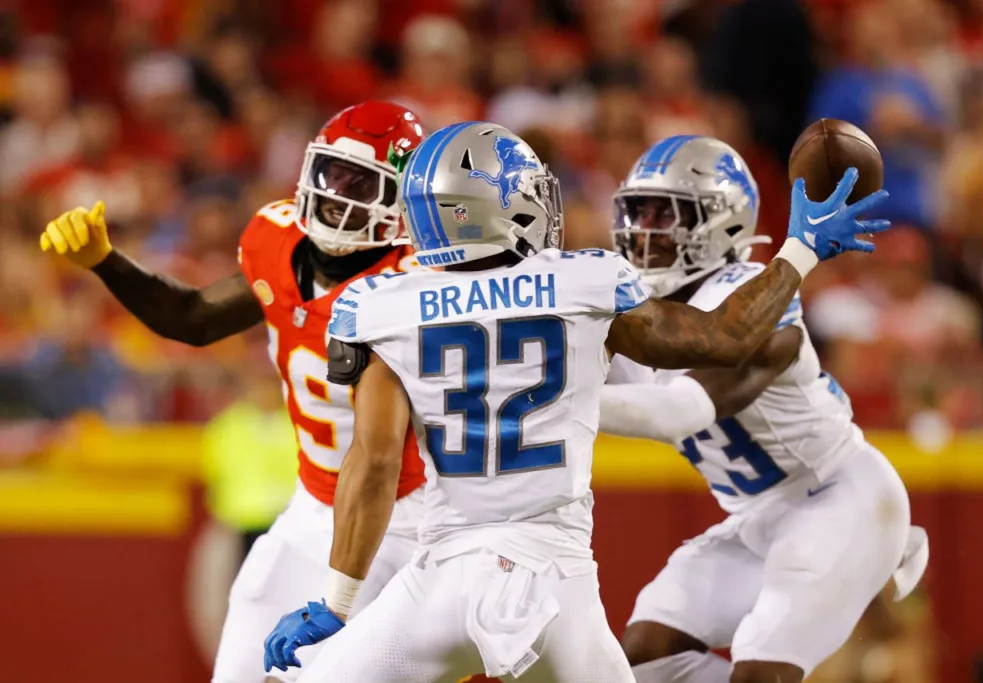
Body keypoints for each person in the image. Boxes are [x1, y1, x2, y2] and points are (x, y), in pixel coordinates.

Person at [261, 123, 889, 682]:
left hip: (437, 580)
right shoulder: (580, 282)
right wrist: (801, 250)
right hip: (552, 585)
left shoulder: (378, 307)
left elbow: (372, 465)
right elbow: (722, 339)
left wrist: (334, 602)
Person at [38, 101, 429, 683]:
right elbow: (194, 319)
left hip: (399, 516)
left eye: (360, 183)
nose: (336, 196)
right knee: (243, 660)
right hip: (312, 502)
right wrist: (105, 262)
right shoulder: (275, 238)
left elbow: (376, 459)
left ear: (402, 202)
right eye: (330, 175)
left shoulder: (412, 286)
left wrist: (339, 599)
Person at [597, 135, 923, 683]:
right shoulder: (631, 304)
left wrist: (555, 404)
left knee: (761, 670)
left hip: (839, 499)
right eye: (636, 210)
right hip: (756, 515)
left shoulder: (753, 295)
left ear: (722, 223)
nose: (643, 231)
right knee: (645, 659)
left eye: (664, 213)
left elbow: (679, 410)